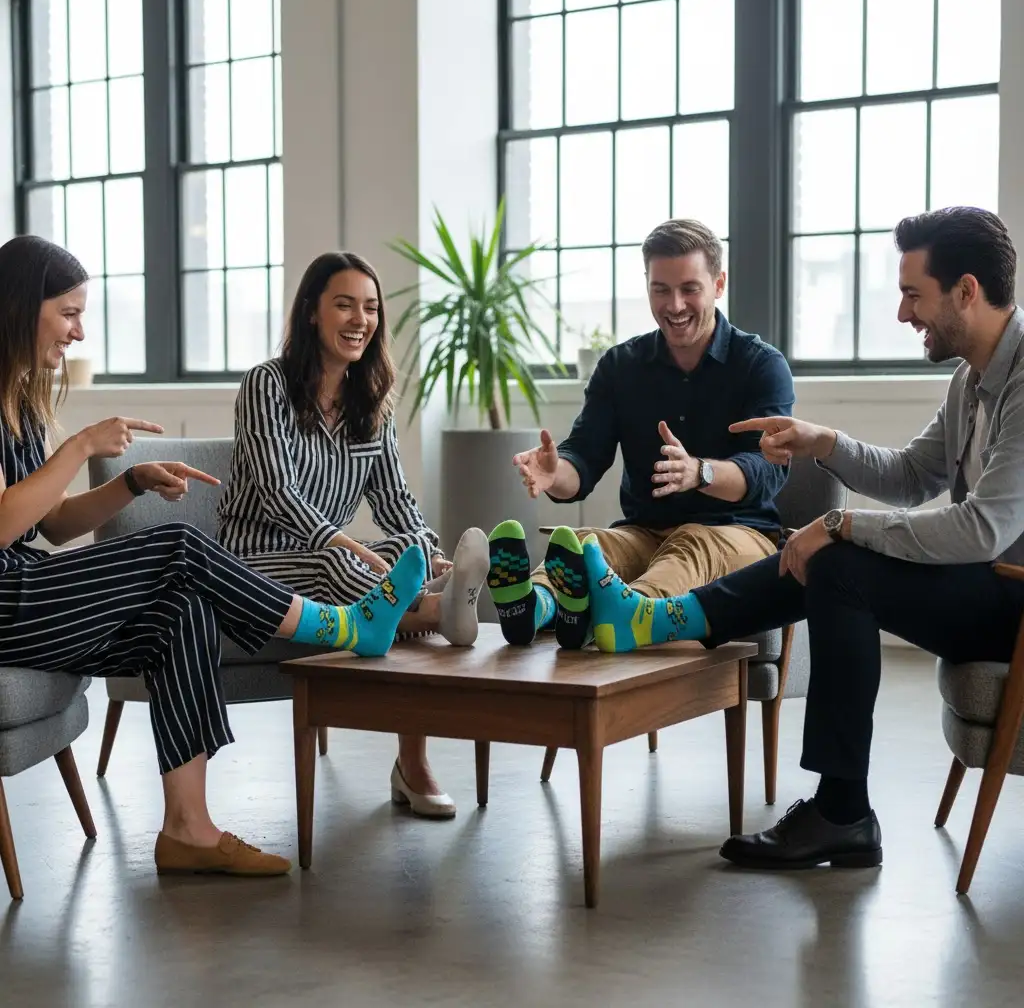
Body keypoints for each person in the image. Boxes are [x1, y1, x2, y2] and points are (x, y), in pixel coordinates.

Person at [580, 206, 1024, 871]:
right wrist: (825, 443)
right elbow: (912, 476)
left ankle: (840, 811)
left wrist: (842, 523)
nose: (903, 314)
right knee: (838, 564)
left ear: (965, 290)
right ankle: (659, 620)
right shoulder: (972, 380)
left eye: (913, 294)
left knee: (841, 563)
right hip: (988, 587)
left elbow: (984, 528)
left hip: (1011, 598)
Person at [0, 235, 430, 878]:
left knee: (182, 608)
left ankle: (187, 830)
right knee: (177, 545)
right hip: (8, 600)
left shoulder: (23, 405)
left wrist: (129, 483)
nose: (79, 331)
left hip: (30, 588)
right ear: (19, 306)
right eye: (68, 313)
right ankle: (341, 625)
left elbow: (53, 527)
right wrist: (82, 445)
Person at [217, 251, 488, 819]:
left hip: (335, 560)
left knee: (397, 557)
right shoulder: (266, 384)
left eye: (369, 308)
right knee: (349, 567)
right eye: (344, 304)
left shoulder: (373, 401)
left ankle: (429, 603)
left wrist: (427, 553)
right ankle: (440, 617)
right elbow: (276, 494)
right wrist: (351, 547)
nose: (359, 319)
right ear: (312, 312)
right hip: (255, 559)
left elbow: (394, 499)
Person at [486, 218, 795, 651]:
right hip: (644, 532)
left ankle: (627, 612)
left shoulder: (762, 365)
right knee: (587, 544)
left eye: (690, 288)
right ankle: (534, 607)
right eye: (661, 290)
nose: (675, 305)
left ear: (719, 283)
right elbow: (586, 457)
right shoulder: (620, 367)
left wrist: (700, 473)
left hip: (739, 534)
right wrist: (556, 474)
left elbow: (768, 470)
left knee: (691, 544)